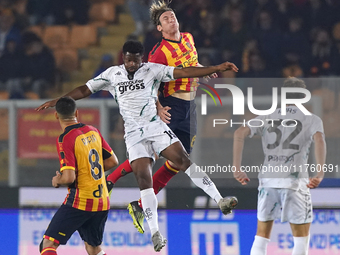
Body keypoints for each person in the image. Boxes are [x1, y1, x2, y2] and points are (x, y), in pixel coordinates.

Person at [36, 40, 238, 252]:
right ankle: (155, 233)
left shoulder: (153, 70)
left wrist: (216, 68)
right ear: (123, 57)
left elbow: (184, 71)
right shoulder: (112, 74)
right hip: (133, 135)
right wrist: (60, 100)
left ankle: (220, 199)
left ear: (142, 58)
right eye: (128, 59)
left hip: (155, 128)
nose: (131, 63)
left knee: (183, 160)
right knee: (144, 180)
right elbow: (86, 89)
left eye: (135, 59)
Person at [105, 1, 237, 234]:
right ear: (159, 29)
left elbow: (190, 64)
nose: (171, 20)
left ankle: (137, 205)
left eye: (172, 16)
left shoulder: (188, 38)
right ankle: (111, 180)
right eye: (165, 19)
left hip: (190, 106)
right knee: (155, 154)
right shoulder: (158, 52)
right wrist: (157, 106)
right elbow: (149, 81)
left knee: (180, 160)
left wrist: (204, 69)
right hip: (171, 105)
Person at [232, 77, 326, 255]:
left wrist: (237, 167)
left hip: (268, 182)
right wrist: (319, 172)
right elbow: (320, 139)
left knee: (261, 236)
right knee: (300, 239)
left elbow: (239, 132)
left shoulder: (268, 116)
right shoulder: (312, 119)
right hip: (295, 184)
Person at [39, 97, 118, 255]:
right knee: (93, 248)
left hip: (80, 201)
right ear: (76, 112)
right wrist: (88, 170)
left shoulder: (66, 138)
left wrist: (57, 180)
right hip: (102, 201)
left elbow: (68, 178)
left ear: (56, 116)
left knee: (48, 244)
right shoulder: (93, 130)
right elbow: (112, 161)